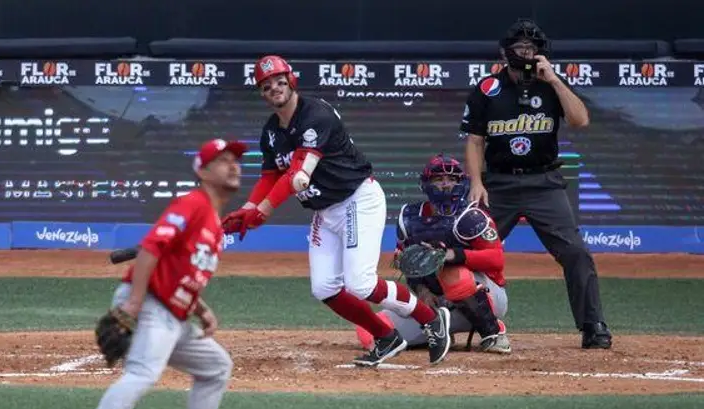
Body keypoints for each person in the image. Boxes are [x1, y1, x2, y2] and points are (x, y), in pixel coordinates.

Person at [221, 54, 452, 367]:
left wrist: (261, 211)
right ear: (261, 94)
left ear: (291, 80)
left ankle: (432, 320)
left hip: (357, 199)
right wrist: (247, 208)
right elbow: (270, 175)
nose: (274, 88)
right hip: (325, 210)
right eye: (266, 86)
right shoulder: (271, 131)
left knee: (362, 284)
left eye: (279, 80)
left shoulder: (317, 114)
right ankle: (386, 337)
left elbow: (298, 176)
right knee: (324, 288)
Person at [60, 138, 245, 409]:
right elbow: (150, 250)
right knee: (144, 372)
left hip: (173, 315)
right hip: (149, 303)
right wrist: (133, 303)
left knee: (216, 367)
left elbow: (181, 271)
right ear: (202, 171)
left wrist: (201, 309)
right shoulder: (193, 204)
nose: (233, 165)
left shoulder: (213, 222)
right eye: (222, 160)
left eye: (235, 160)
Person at [460, 18, 612, 349]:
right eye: (520, 48)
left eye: (532, 48)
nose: (527, 53)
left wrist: (554, 79)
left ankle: (593, 324)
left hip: (544, 183)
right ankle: (448, 317)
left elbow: (580, 120)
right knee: (465, 251)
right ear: (507, 52)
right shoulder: (488, 89)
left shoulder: (550, 85)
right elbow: (474, 141)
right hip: (498, 184)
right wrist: (476, 182)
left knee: (575, 252)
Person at [356, 154, 511, 354]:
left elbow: (496, 260)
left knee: (452, 273)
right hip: (436, 300)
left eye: (452, 179)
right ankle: (442, 330)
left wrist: (452, 255)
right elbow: (406, 261)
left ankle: (494, 332)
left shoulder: (472, 216)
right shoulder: (409, 217)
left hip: (486, 297)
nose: (446, 185)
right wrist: (420, 289)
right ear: (426, 185)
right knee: (369, 332)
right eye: (439, 179)